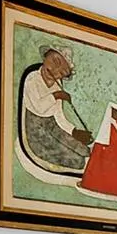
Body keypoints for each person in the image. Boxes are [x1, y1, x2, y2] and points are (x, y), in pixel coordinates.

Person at [17, 47, 92, 178]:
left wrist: (74, 132)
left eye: (61, 71)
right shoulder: (32, 79)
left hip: (53, 126)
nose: (55, 70)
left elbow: (59, 117)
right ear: (45, 57)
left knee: (84, 150)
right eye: (55, 61)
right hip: (36, 131)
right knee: (75, 160)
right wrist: (56, 95)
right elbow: (39, 107)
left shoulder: (57, 86)